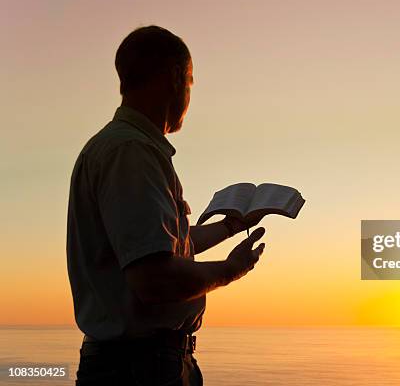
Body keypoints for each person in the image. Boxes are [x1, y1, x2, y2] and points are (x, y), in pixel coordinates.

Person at [66, 26, 265, 386]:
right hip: (139, 368)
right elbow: (154, 280)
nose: (190, 93)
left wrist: (230, 226)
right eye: (191, 81)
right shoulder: (131, 152)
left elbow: (159, 246)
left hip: (145, 362)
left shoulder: (125, 147)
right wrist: (231, 270)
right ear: (175, 77)